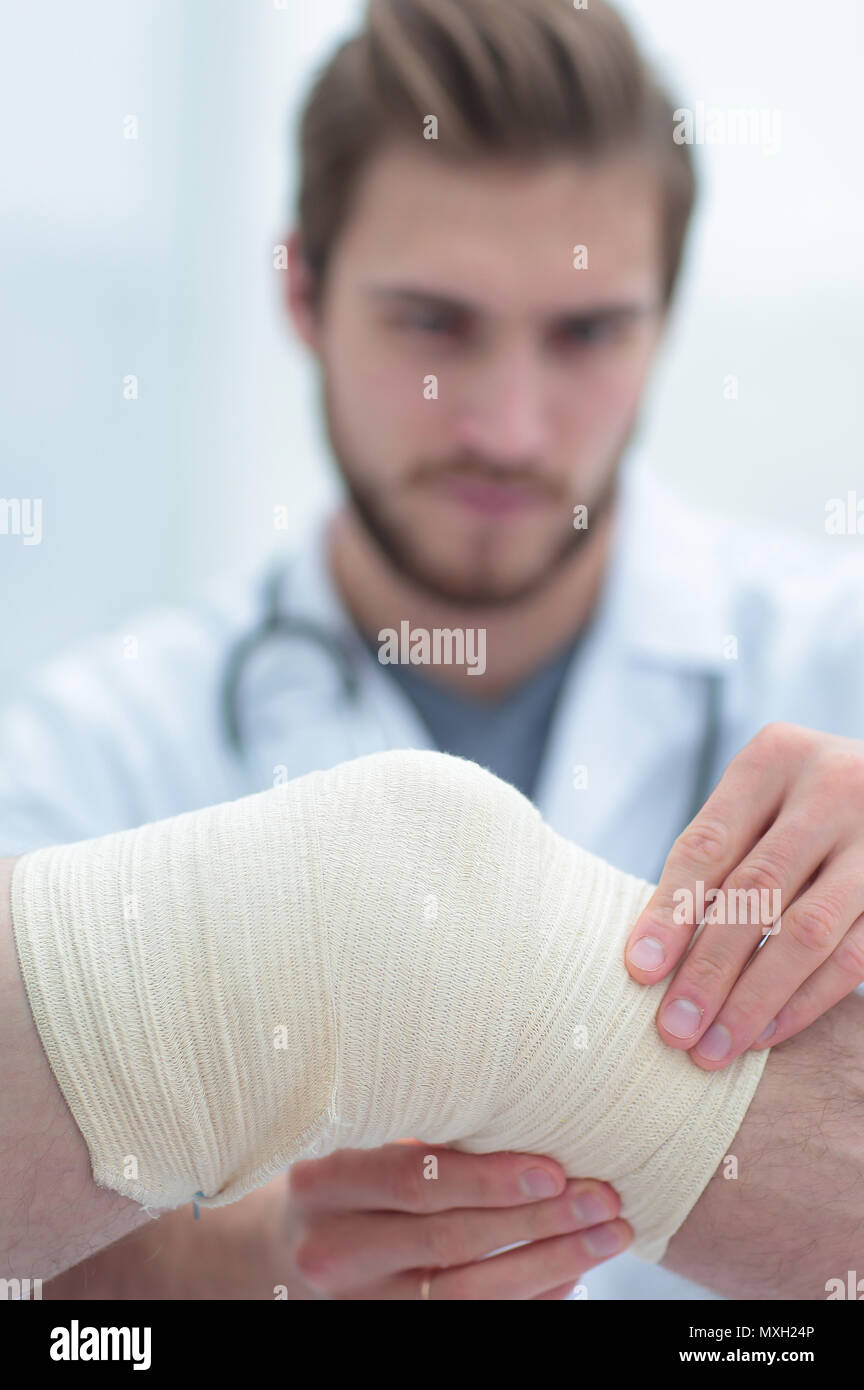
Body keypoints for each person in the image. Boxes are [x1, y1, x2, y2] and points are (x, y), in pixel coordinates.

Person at [3, 0, 864, 1300]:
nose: (508, 427)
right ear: (302, 290)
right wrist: (249, 1257)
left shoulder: (838, 667)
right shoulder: (94, 752)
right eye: (433, 325)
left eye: (585, 333)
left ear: (664, 322)